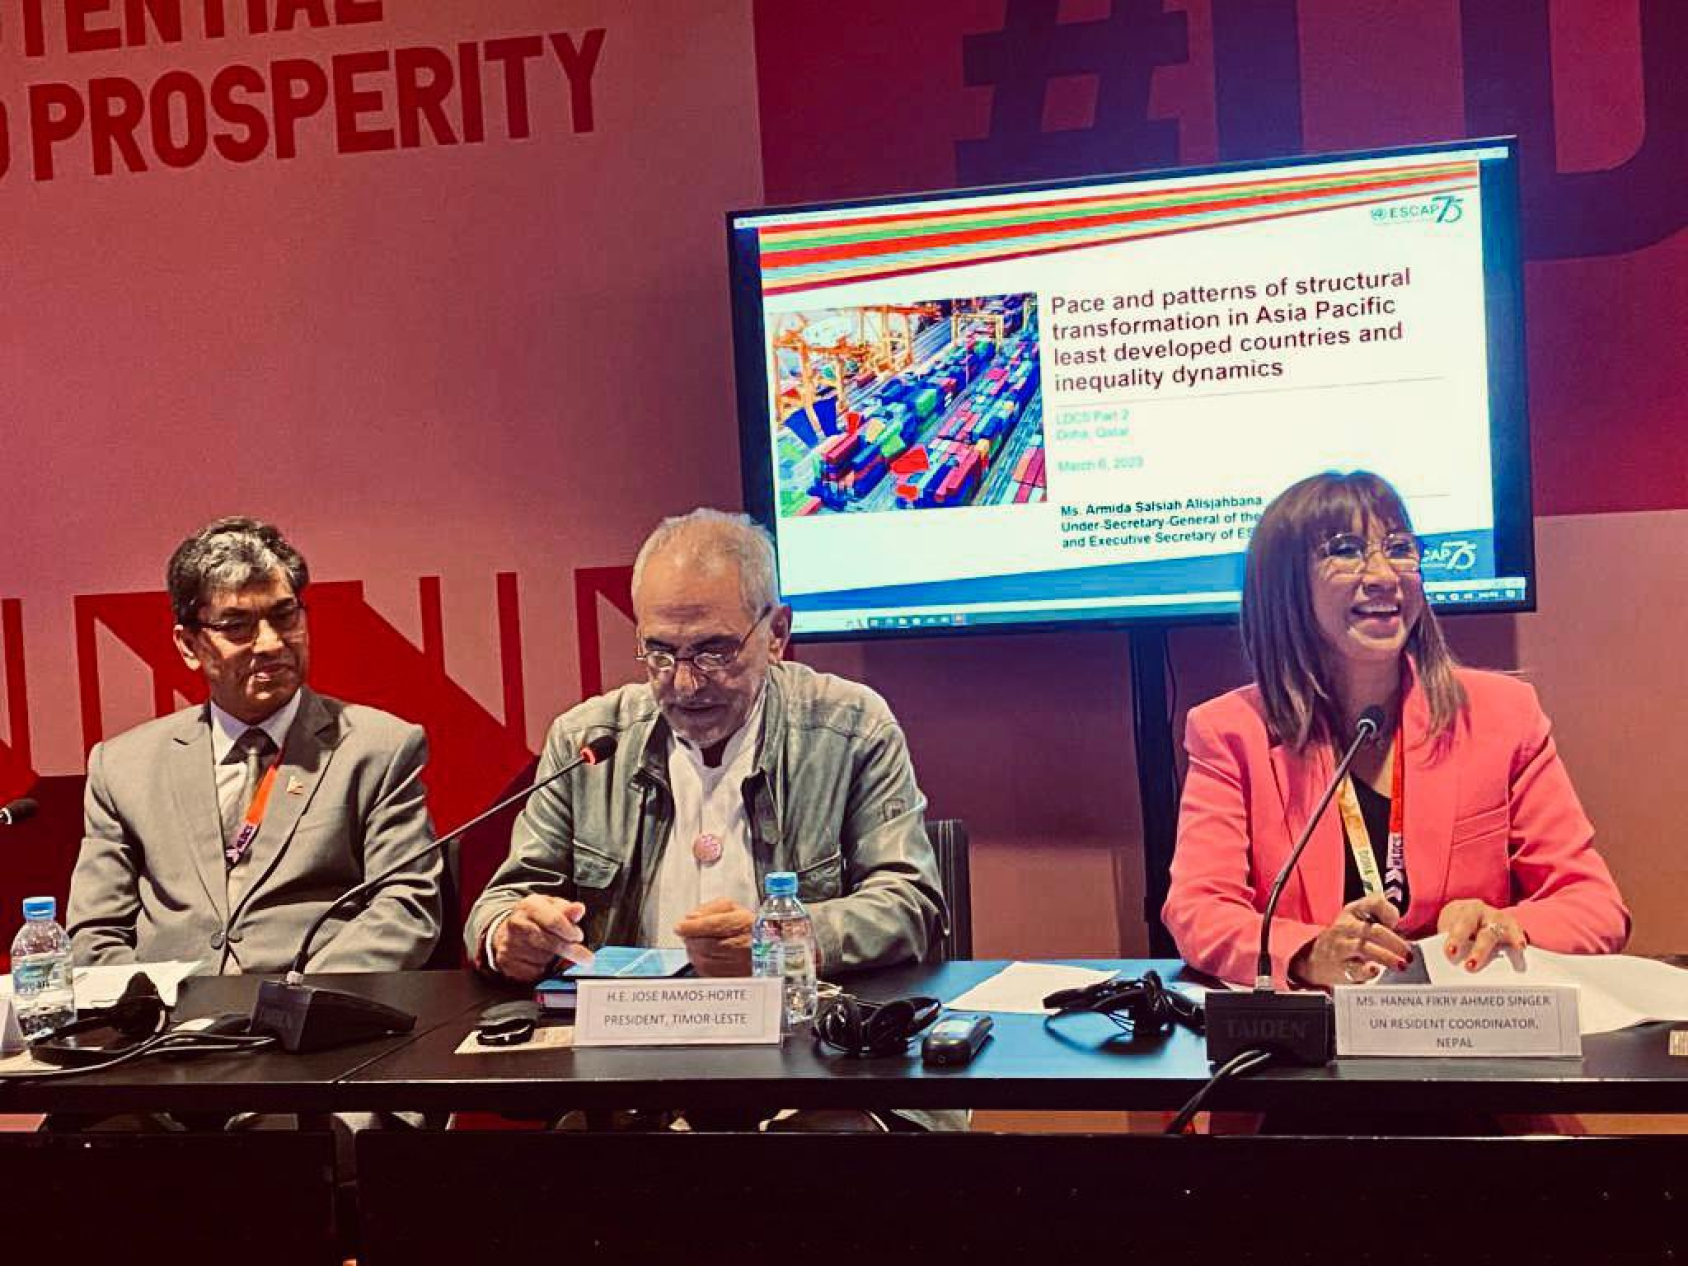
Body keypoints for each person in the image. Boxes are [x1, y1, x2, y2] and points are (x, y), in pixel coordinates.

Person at [1164, 471, 1628, 990]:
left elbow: (1595, 906)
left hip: (1470, 1037)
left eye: (1400, 548)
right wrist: (1306, 952)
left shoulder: (1503, 714)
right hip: (1317, 1045)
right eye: (1346, 551)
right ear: (1285, 586)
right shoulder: (1230, 732)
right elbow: (1197, 909)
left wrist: (1508, 925)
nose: (1384, 574)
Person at [468, 508, 946, 984]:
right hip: (626, 1039)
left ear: (776, 633)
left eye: (713, 651)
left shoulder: (851, 729)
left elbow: (910, 904)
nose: (685, 683)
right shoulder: (586, 740)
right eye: (659, 651)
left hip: (795, 1035)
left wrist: (781, 943)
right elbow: (502, 903)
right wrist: (508, 934)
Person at [68, 517, 443, 974]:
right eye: (237, 626)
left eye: (284, 616)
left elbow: (405, 908)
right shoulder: (123, 768)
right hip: (170, 1030)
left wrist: (291, 1002)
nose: (269, 643)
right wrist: (150, 1011)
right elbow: (96, 932)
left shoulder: (377, 748)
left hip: (320, 1023)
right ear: (189, 645)